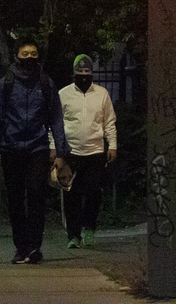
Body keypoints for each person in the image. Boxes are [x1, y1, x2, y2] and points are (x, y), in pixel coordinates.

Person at [0, 37, 71, 265]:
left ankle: (34, 247)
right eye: (25, 54)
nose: (29, 58)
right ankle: (20, 247)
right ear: (16, 56)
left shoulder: (46, 83)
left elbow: (56, 119)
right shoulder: (6, 84)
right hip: (11, 148)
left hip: (37, 148)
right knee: (15, 200)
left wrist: (60, 152)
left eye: (33, 53)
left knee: (36, 195)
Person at [56, 54, 117, 248]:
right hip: (70, 152)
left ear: (92, 73)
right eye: (80, 72)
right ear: (73, 73)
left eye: (87, 72)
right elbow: (56, 125)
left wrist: (112, 144)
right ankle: (73, 236)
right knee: (71, 195)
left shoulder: (102, 94)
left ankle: (89, 227)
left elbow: (109, 122)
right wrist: (55, 151)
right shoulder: (63, 94)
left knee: (93, 193)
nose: (83, 75)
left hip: (95, 152)